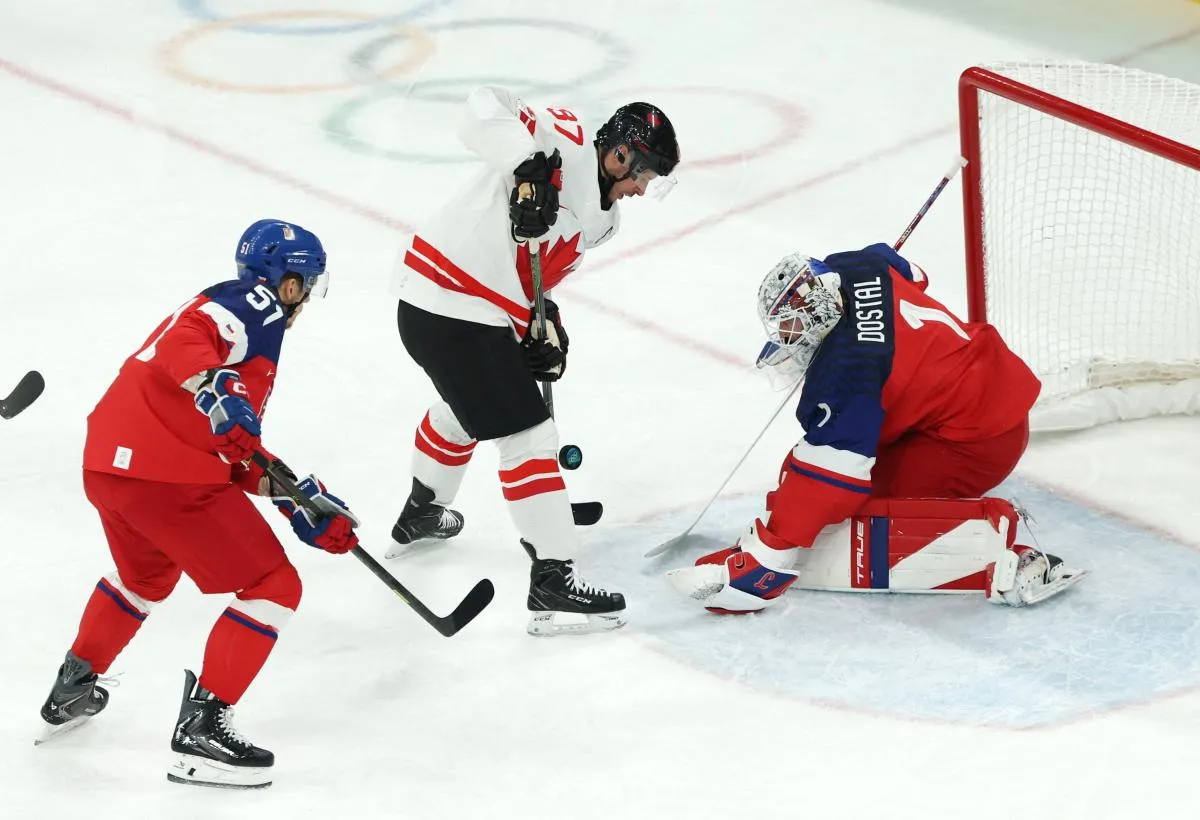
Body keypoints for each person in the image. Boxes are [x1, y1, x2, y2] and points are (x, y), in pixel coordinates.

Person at [37, 220, 360, 789]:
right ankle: (202, 734)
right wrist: (215, 387)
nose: (306, 298)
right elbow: (190, 338)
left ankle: (74, 684)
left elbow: (231, 448)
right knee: (274, 585)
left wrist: (295, 500)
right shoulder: (251, 306)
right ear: (285, 283)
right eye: (305, 284)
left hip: (110, 468)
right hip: (166, 479)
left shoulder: (241, 321)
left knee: (146, 575)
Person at [389, 86, 680, 636]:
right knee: (527, 437)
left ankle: (422, 509)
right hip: (446, 298)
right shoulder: (560, 137)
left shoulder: (605, 221)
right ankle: (552, 579)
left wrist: (545, 324)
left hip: (470, 313)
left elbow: (531, 280)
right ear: (620, 154)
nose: (642, 188)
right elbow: (478, 106)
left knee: (470, 404)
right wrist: (525, 164)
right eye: (642, 173)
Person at [667, 243, 1087, 612]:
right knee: (806, 472)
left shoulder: (847, 373)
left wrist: (770, 553)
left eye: (796, 331)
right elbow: (911, 272)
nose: (794, 343)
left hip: (976, 444)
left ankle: (1003, 549)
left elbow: (831, 478)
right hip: (987, 393)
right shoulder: (856, 265)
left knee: (856, 506)